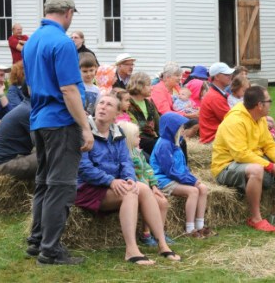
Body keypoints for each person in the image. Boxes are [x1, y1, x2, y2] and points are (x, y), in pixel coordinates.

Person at [22, 0, 94, 265]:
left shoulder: (31, 41)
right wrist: (85, 127)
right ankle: (50, 251)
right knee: (61, 186)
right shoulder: (63, 43)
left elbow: (29, 86)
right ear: (68, 13)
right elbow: (69, 90)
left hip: (38, 119)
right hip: (60, 121)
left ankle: (36, 241)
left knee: (43, 182)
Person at [75, 94, 180, 265]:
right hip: (87, 187)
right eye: (101, 103)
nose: (102, 107)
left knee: (143, 188)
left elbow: (126, 161)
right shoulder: (84, 131)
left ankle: (162, 244)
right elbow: (84, 168)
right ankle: (131, 250)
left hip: (112, 185)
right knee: (130, 193)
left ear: (116, 113)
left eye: (109, 105)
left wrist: (129, 178)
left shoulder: (118, 132)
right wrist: (111, 181)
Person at [212, 85, 275, 233]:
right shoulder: (235, 121)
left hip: (251, 160)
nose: (271, 104)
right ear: (259, 105)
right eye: (269, 101)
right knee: (256, 169)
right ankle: (255, 218)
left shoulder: (259, 118)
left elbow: (269, 144)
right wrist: (271, 166)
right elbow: (240, 154)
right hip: (226, 166)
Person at [151, 113, 216, 238]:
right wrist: (190, 180)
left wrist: (191, 178)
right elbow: (170, 170)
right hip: (163, 179)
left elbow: (182, 166)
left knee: (203, 188)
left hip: (175, 177)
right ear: (172, 129)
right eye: (180, 128)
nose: (183, 130)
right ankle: (190, 228)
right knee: (193, 191)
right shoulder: (164, 145)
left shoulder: (176, 142)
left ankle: (200, 225)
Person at [119, 121, 173, 247]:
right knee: (152, 202)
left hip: (147, 187)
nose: (140, 138)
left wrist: (154, 186)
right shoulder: (125, 156)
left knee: (163, 202)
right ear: (128, 138)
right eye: (137, 136)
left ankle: (159, 232)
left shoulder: (139, 153)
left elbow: (148, 169)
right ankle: (146, 233)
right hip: (136, 189)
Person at [0, 86, 36, 180]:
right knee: (49, 156)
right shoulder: (28, 111)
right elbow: (42, 142)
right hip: (3, 166)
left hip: (11, 160)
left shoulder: (26, 107)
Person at [126, 71, 161, 156]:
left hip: (152, 138)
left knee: (178, 142)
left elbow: (158, 124)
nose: (151, 88)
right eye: (149, 85)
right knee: (158, 145)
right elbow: (133, 128)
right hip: (138, 140)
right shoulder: (127, 104)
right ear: (139, 86)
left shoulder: (149, 104)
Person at [198, 62, 234, 143]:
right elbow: (232, 120)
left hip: (219, 135)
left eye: (230, 74)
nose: (230, 77)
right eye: (226, 74)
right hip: (213, 138)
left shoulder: (218, 93)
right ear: (217, 77)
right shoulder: (214, 97)